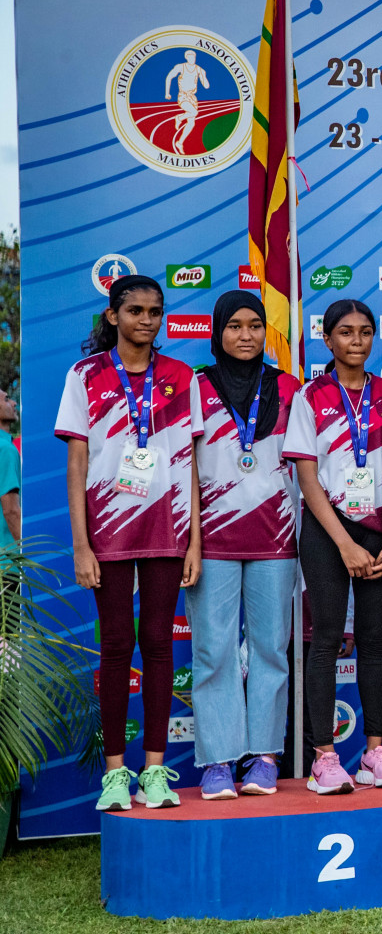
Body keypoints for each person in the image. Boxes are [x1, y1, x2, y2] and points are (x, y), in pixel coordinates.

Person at [57, 275, 202, 811]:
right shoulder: (86, 375)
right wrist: (81, 545)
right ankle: (116, 774)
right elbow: (76, 463)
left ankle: (156, 770)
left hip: (167, 528)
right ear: (113, 315)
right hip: (107, 530)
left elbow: (191, 463)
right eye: (136, 310)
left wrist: (194, 542)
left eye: (155, 311)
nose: (147, 320)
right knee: (118, 645)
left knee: (160, 646)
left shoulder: (180, 376)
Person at [285, 300, 382, 795]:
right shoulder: (309, 397)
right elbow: (307, 479)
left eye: (365, 332)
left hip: (378, 530)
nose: (356, 341)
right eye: (345, 333)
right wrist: (344, 544)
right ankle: (324, 759)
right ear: (327, 340)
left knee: (375, 641)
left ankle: (374, 753)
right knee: (327, 639)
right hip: (326, 530)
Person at [187, 291, 302, 799]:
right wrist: (188, 537)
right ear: (217, 332)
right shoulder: (195, 386)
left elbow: (308, 465)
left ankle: (264, 757)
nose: (246, 334)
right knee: (214, 652)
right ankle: (217, 760)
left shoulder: (289, 387)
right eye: (234, 325)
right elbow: (183, 467)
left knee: (271, 651)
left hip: (277, 538)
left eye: (255, 324)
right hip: (211, 539)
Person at [0, 389, 19, 549]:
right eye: (6, 399)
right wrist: (30, 554)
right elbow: (11, 510)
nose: (14, 403)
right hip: (9, 562)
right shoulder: (5, 449)